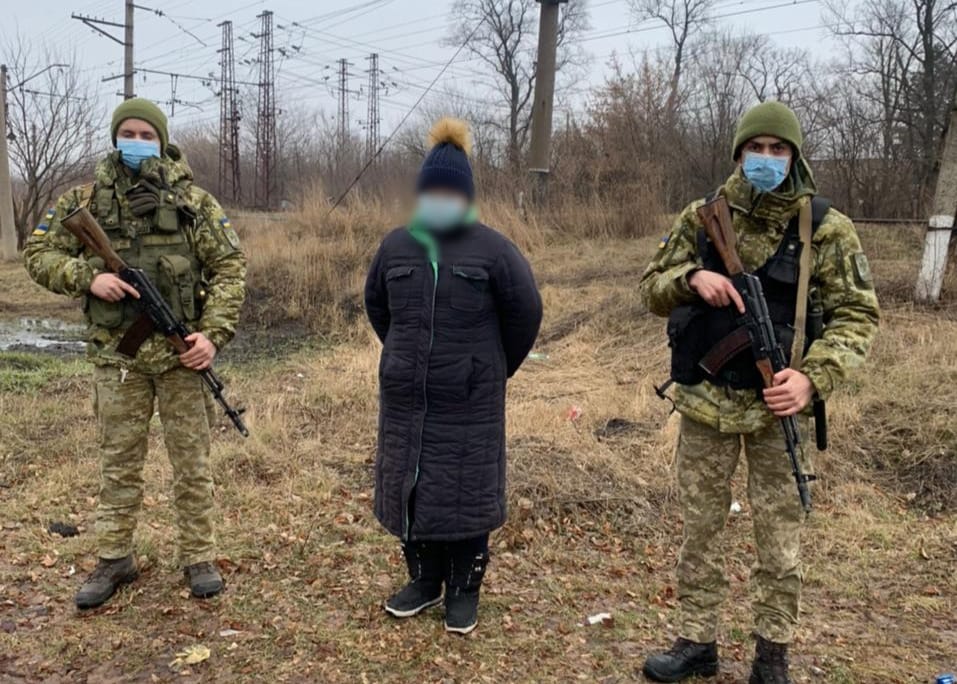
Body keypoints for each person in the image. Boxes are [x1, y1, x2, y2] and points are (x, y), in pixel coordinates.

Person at [638, 101, 879, 683]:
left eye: (778, 149)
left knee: (779, 538)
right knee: (701, 529)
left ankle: (772, 654)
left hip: (777, 409)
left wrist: (812, 378)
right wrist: (692, 278)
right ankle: (696, 641)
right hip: (705, 403)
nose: (766, 159)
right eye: (756, 148)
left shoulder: (825, 227)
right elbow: (651, 286)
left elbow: (857, 315)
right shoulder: (702, 217)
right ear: (739, 153)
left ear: (794, 156)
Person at [23, 98, 247, 610]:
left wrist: (212, 334)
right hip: (116, 357)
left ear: (163, 139)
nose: (138, 140)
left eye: (148, 133)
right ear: (115, 137)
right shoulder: (84, 200)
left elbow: (231, 268)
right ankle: (115, 557)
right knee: (118, 464)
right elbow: (37, 254)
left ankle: (199, 556)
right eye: (129, 132)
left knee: (192, 463)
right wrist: (89, 276)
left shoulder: (194, 203)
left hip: (180, 358)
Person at [364, 118, 543, 635]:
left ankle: (464, 590)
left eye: (450, 190)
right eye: (432, 190)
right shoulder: (396, 246)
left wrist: (488, 368)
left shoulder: (494, 250)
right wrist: (404, 357)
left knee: (465, 494)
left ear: (465, 195)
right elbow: (379, 306)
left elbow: (525, 313)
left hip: (470, 399)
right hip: (407, 400)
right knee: (413, 489)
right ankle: (423, 581)